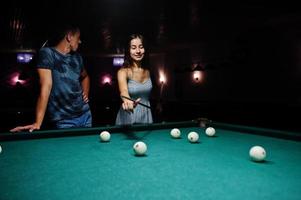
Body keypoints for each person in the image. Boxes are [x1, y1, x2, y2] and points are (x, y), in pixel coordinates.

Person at [10, 24, 92, 132]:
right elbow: (46, 86)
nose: (80, 41)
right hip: (64, 120)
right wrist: (38, 122)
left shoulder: (78, 57)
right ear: (69, 37)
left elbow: (85, 77)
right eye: (78, 37)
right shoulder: (48, 53)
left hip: (85, 115)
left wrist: (85, 92)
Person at [115, 34, 156, 125]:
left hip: (146, 115)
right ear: (128, 51)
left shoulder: (149, 71)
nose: (138, 51)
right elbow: (124, 91)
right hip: (128, 115)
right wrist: (127, 100)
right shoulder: (123, 72)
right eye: (133, 48)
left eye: (141, 47)